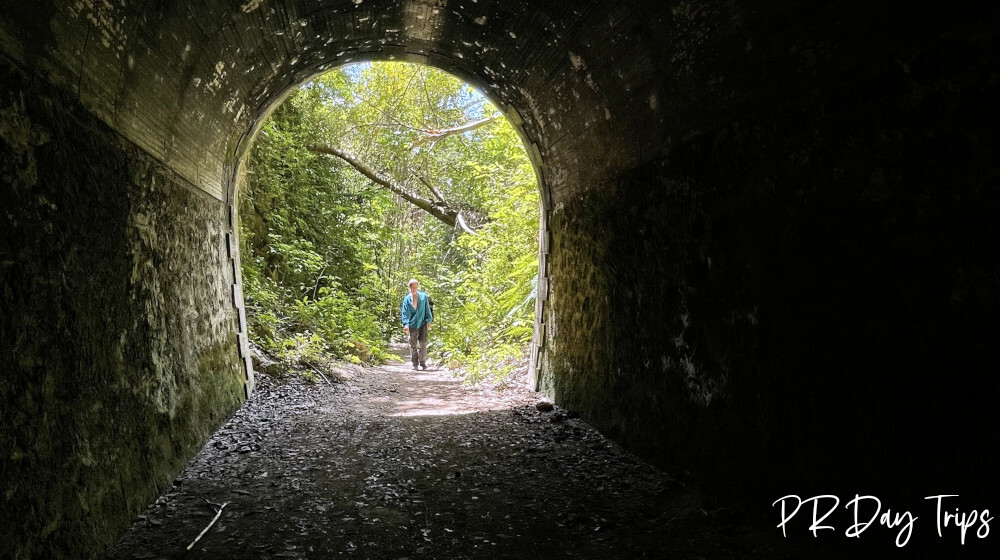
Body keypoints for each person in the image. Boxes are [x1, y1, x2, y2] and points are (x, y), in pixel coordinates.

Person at [400, 278, 433, 370]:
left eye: (415, 287)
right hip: (412, 324)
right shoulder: (407, 299)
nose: (413, 289)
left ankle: (422, 362)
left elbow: (427, 309)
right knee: (413, 343)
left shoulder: (423, 297)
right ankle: (415, 363)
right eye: (412, 287)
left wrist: (429, 320)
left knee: (423, 343)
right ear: (409, 288)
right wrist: (406, 324)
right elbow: (404, 312)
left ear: (417, 287)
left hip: (422, 322)